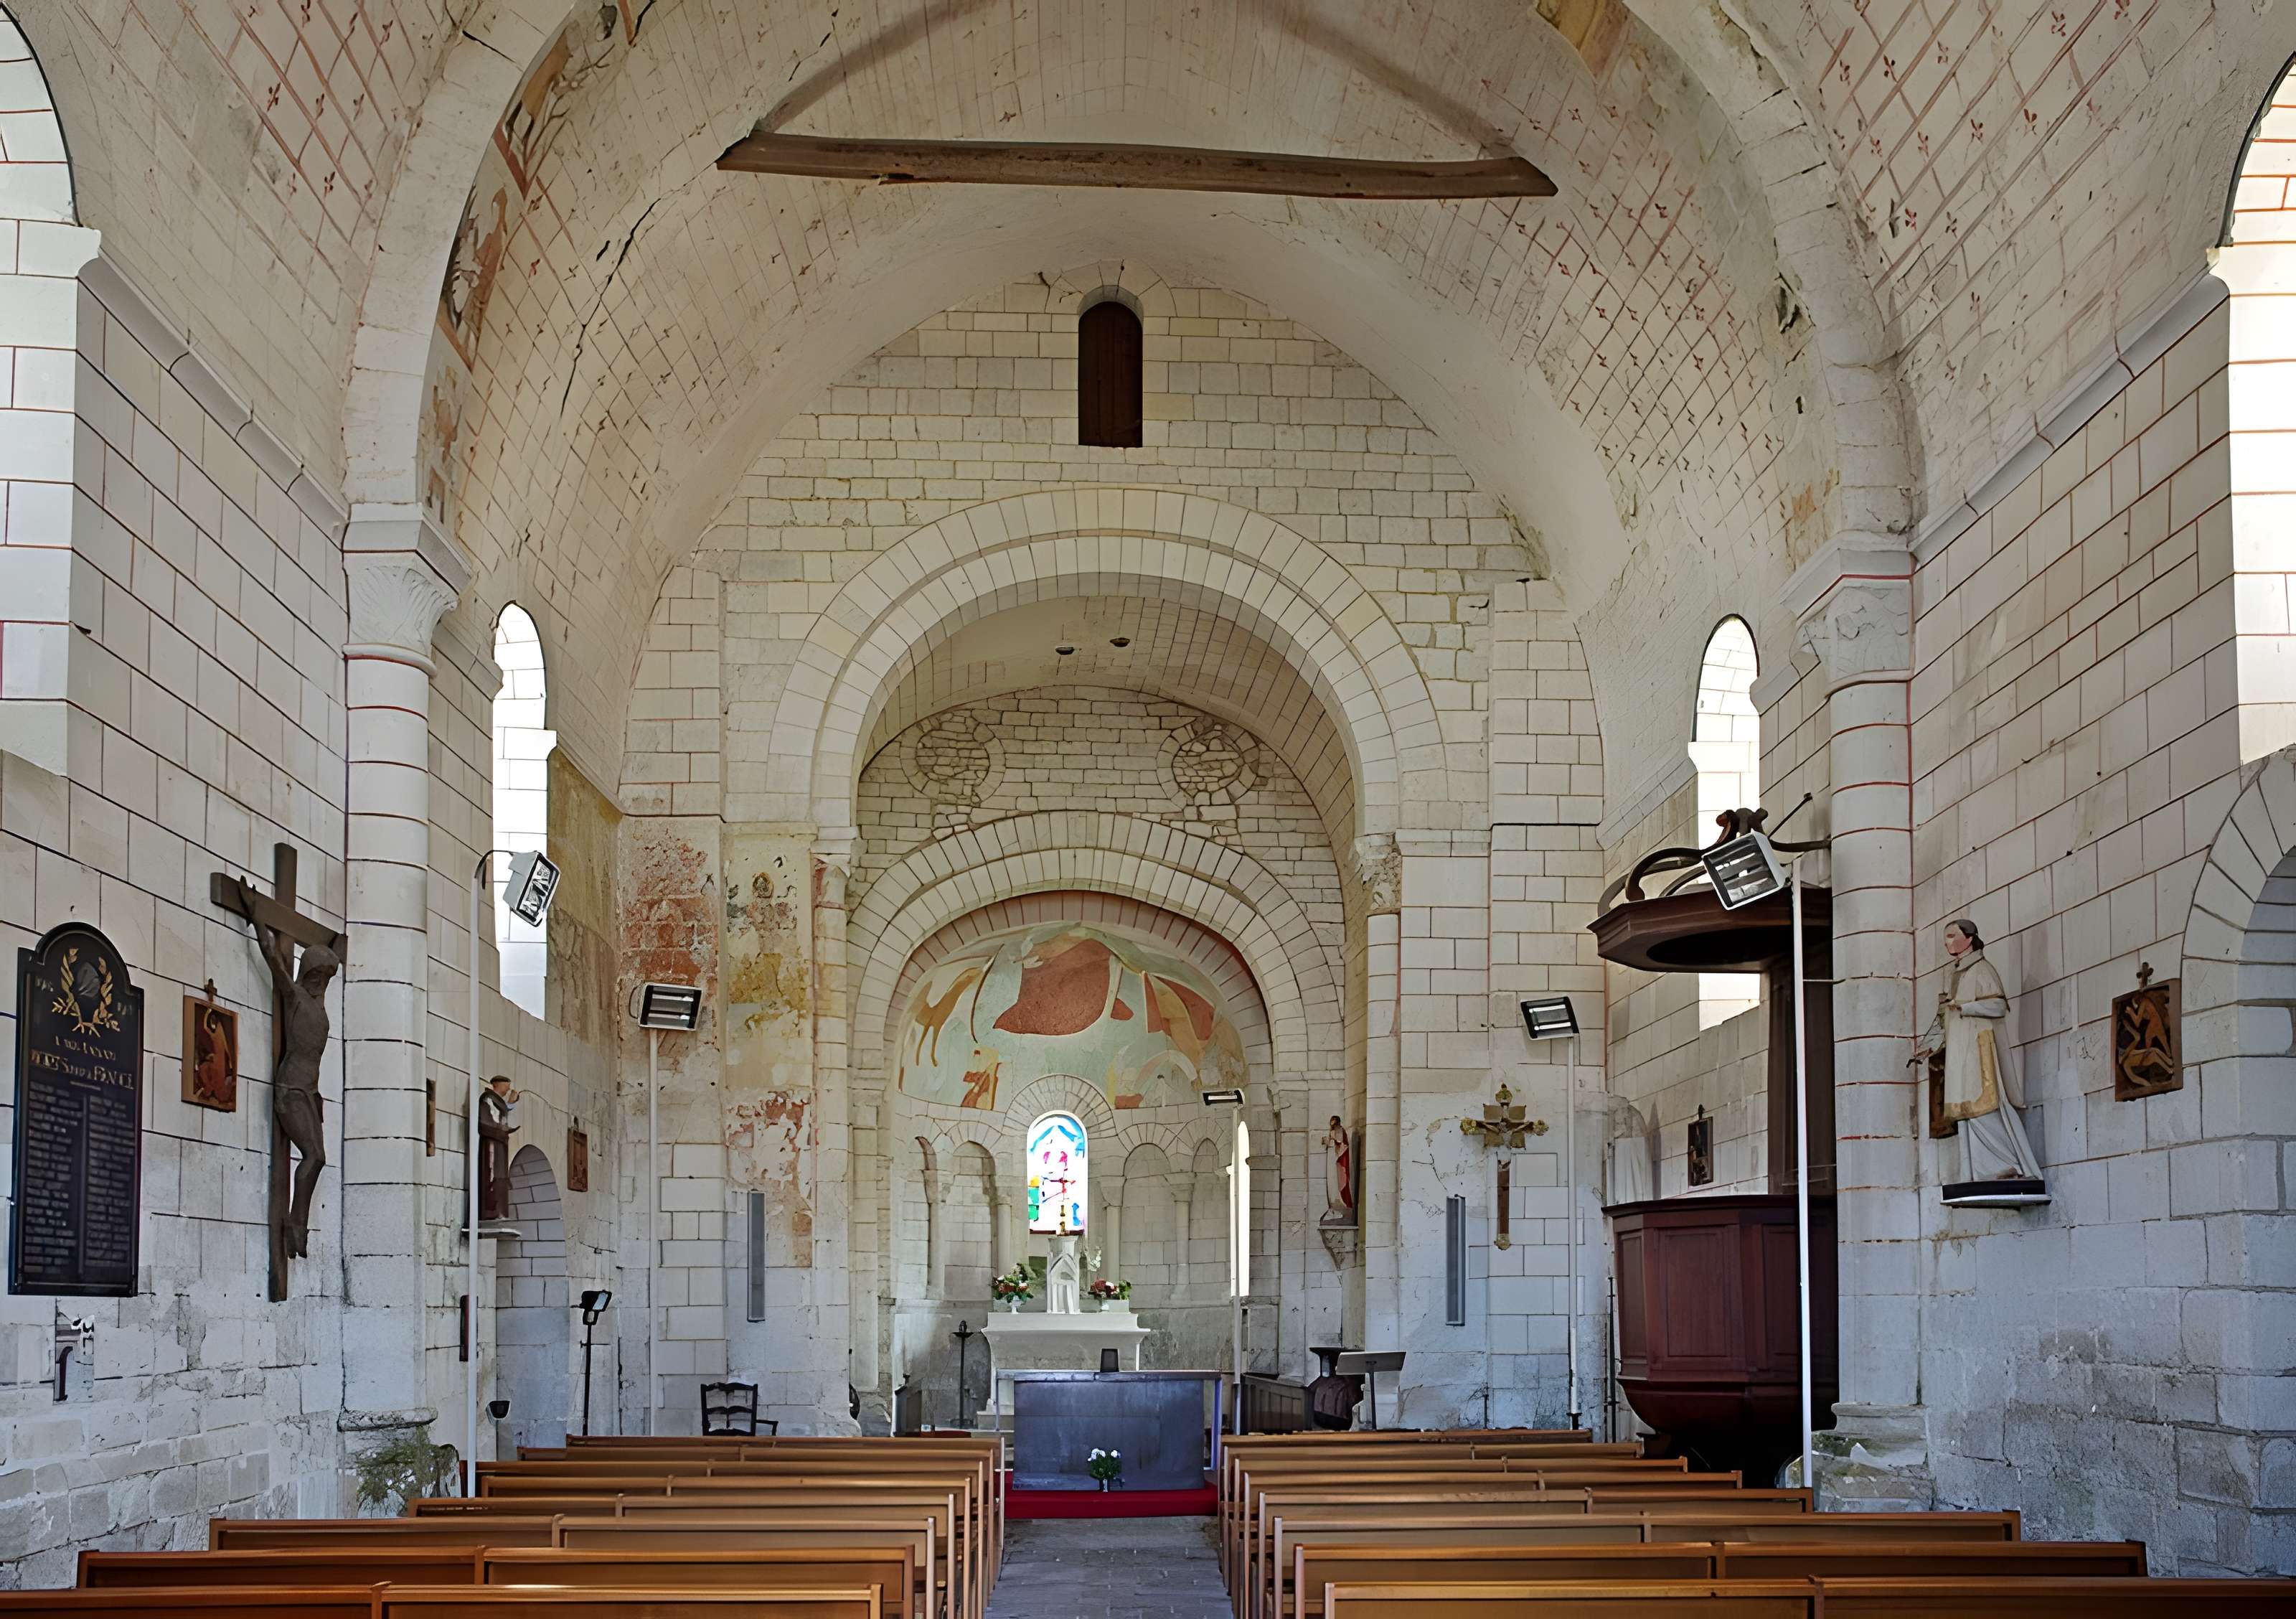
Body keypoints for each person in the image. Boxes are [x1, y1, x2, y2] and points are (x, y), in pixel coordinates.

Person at [1911, 919, 2045, 1186]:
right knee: (1965, 1112)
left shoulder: (1982, 969)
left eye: (1952, 936)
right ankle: (1976, 1174)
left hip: (1978, 1048)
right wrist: (1927, 1047)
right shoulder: (1958, 974)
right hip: (1960, 1053)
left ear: (1969, 939)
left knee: (1983, 1107)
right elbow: (1943, 1019)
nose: (1947, 942)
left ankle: (2009, 1166)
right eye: (1946, 937)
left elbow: (1997, 1006)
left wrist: (1965, 1007)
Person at [255, 923, 336, 1257]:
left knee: (318, 1158)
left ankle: (297, 1225)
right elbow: (273, 958)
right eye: (319, 976)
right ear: (309, 974)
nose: (322, 984)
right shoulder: (297, 997)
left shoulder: (319, 1007)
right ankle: (296, 1226)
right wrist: (257, 916)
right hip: (290, 1089)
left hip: (308, 1092)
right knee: (315, 1156)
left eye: (327, 979)